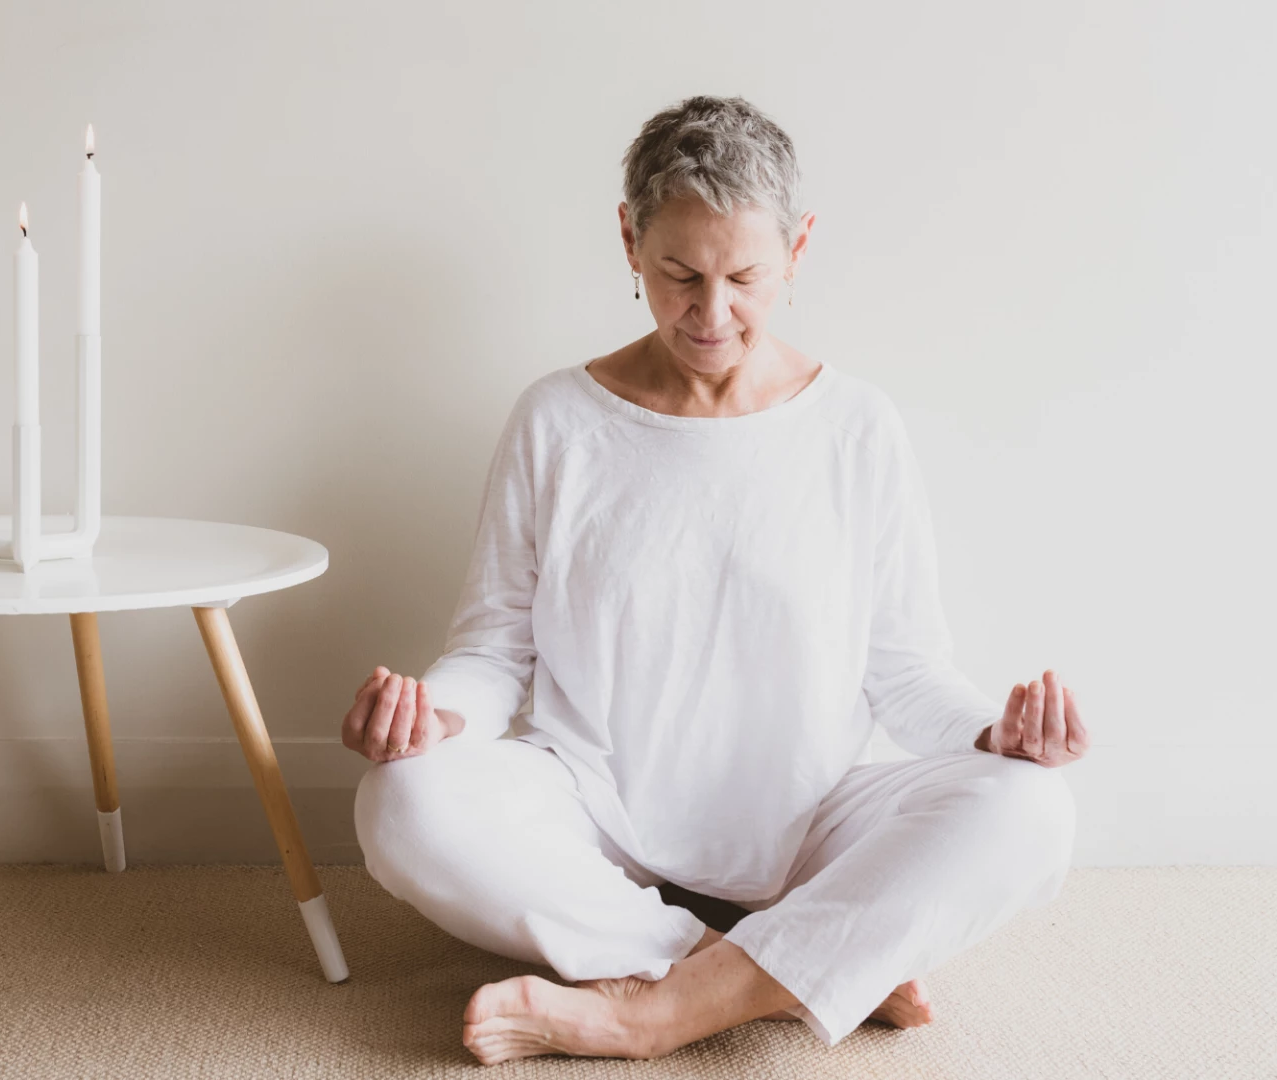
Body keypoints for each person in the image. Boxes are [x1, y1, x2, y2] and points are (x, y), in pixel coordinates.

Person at [342, 95, 1090, 1066]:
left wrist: (997, 736)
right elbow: (492, 654)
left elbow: (906, 672)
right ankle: (779, 967)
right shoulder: (557, 422)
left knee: (1032, 808)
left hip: (809, 823)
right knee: (398, 801)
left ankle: (650, 1011)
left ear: (800, 248)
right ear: (628, 239)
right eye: (679, 275)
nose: (712, 312)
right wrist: (431, 717)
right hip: (592, 819)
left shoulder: (856, 427)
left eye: (746, 277)